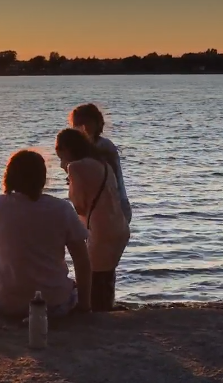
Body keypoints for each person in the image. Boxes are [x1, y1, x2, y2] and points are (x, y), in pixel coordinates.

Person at [0, 150, 92, 317]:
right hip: (52, 303)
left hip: (7, 304)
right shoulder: (62, 209)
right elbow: (82, 260)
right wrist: (85, 305)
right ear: (42, 178)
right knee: (71, 290)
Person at [56, 128, 130, 311]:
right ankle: (108, 310)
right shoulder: (103, 163)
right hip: (119, 228)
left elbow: (79, 206)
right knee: (106, 277)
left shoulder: (75, 167)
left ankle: (98, 316)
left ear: (66, 149)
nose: (61, 163)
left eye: (60, 156)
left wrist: (70, 176)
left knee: (94, 280)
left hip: (101, 232)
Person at [68, 103, 132, 224]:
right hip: (97, 209)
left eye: (86, 123)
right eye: (76, 125)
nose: (82, 128)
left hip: (114, 208)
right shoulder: (82, 149)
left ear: (97, 124)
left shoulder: (103, 147)